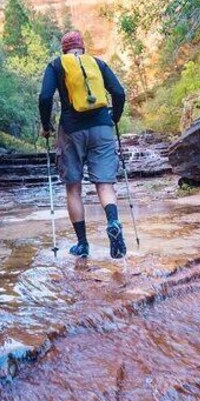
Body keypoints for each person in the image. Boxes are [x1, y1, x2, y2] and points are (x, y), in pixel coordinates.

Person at [38, 30, 127, 259]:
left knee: (73, 188)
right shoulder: (97, 63)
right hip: (102, 128)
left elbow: (45, 97)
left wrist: (46, 126)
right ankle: (114, 222)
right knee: (105, 184)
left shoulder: (56, 65)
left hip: (71, 131)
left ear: (64, 49)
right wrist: (114, 117)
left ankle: (83, 244)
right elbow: (118, 92)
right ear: (82, 48)